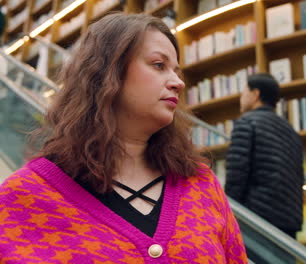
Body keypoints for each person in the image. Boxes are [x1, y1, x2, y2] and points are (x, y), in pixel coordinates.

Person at [0, 13, 247, 263]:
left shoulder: (202, 185)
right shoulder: (22, 197)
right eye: (159, 65)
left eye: (177, 71)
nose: (178, 82)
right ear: (107, 73)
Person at [225, 73, 304, 239]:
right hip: (289, 222)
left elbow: (237, 173)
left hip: (257, 221)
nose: (241, 97)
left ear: (255, 95)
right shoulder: (292, 132)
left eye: (244, 92)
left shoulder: (247, 122)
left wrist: (227, 212)